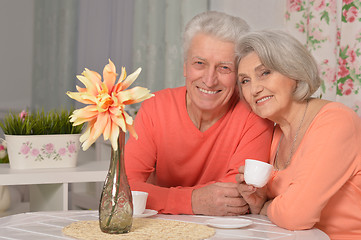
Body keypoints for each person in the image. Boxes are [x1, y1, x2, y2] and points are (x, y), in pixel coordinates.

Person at [124, 11, 274, 216]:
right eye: (199, 64)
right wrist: (192, 201)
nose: (210, 80)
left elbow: (238, 199)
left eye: (224, 68)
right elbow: (123, 189)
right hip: (162, 229)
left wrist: (158, 196)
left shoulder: (255, 117)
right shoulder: (155, 107)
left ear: (239, 75)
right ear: (185, 66)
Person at [235, 30, 361, 239]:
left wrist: (267, 207)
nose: (254, 89)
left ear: (293, 73)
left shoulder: (336, 122)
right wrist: (259, 200)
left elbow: (295, 216)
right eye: (245, 81)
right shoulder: (277, 133)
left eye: (264, 72)